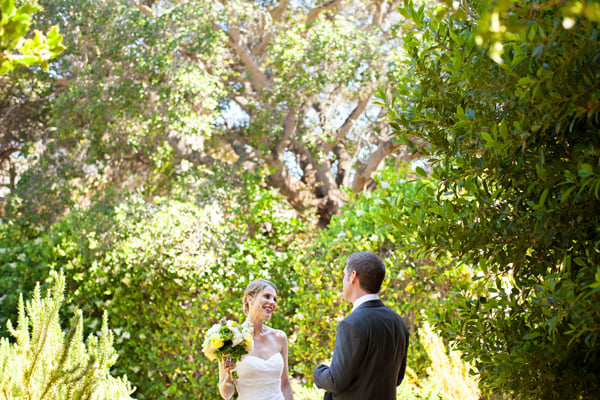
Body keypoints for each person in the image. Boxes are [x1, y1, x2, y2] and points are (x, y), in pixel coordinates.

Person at [313, 251, 409, 400]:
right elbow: (397, 379)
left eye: (344, 275)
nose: (343, 281)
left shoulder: (350, 324)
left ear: (352, 276)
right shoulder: (398, 322)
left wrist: (319, 372)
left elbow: (335, 381)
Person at [218, 279, 294, 400]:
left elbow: (285, 385)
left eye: (274, 299)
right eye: (267, 296)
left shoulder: (280, 337)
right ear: (250, 299)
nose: (272, 302)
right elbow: (226, 394)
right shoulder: (230, 339)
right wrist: (229, 375)